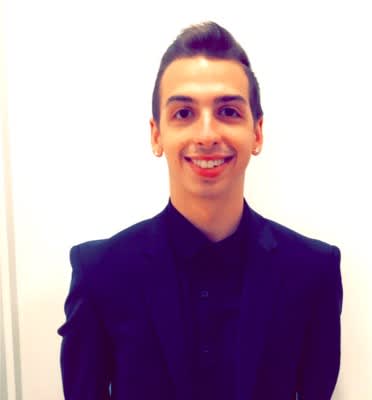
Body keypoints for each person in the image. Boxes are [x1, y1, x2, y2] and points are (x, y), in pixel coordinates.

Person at [58, 21, 343, 400]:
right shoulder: (99, 273)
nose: (207, 135)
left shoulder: (314, 271)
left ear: (257, 133)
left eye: (228, 111)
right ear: (156, 135)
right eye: (183, 113)